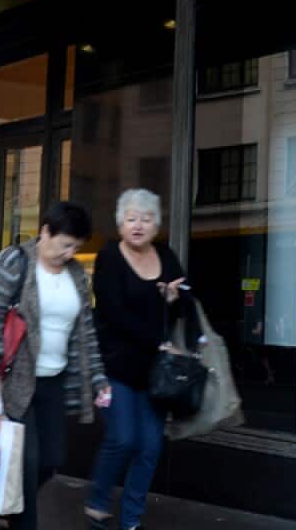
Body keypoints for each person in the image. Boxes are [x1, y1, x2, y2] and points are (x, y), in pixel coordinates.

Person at [0, 201, 111, 530]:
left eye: (76, 248)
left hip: (54, 381)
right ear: (45, 232)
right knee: (27, 463)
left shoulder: (77, 274)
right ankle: (19, 516)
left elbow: (86, 331)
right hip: (15, 380)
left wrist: (98, 377)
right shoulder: (17, 260)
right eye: (66, 245)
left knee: (51, 461)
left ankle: (7, 504)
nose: (70, 254)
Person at [86, 189, 201, 530]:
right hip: (116, 366)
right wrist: (158, 342)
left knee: (150, 447)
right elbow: (114, 312)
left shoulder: (166, 255)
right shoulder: (109, 257)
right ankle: (98, 501)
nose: (138, 225)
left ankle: (131, 520)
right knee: (123, 438)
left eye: (146, 219)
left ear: (156, 225)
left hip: (155, 373)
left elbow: (186, 302)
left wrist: (171, 298)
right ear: (121, 223)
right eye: (131, 218)